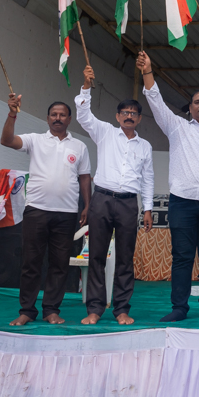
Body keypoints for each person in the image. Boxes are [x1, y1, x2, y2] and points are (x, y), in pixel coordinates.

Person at [137, 53, 199, 323]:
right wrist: (148, 71)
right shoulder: (177, 128)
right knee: (181, 257)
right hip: (182, 201)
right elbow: (156, 103)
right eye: (197, 102)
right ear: (190, 108)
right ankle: (179, 308)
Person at [0, 95, 92, 326]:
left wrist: (87, 206)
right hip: (37, 210)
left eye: (62, 115)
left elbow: (84, 178)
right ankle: (27, 311)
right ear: (48, 118)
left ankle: (51, 309)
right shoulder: (35, 140)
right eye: (54, 114)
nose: (58, 118)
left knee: (60, 264)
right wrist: (12, 114)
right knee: (31, 262)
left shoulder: (79, 146)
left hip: (67, 213)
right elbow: (7, 140)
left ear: (69, 119)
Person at [75, 65, 154, 326]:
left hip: (129, 204)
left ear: (140, 119)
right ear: (118, 116)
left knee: (124, 258)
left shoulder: (145, 146)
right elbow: (84, 116)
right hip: (102, 199)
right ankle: (95, 309)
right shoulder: (105, 132)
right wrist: (86, 86)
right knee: (96, 255)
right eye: (125, 113)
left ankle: (121, 309)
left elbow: (148, 179)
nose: (130, 116)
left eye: (134, 113)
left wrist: (148, 208)